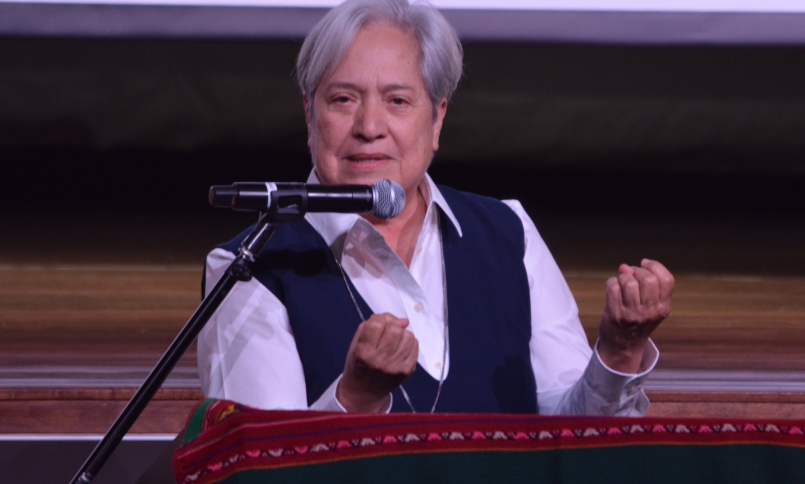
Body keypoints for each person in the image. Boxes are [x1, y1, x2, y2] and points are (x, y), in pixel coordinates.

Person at [197, 0, 674, 416]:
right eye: (343, 100)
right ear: (309, 114)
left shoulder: (508, 233)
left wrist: (619, 351)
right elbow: (259, 465)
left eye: (398, 101)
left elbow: (574, 440)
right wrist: (356, 398)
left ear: (438, 117)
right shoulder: (251, 268)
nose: (369, 126)